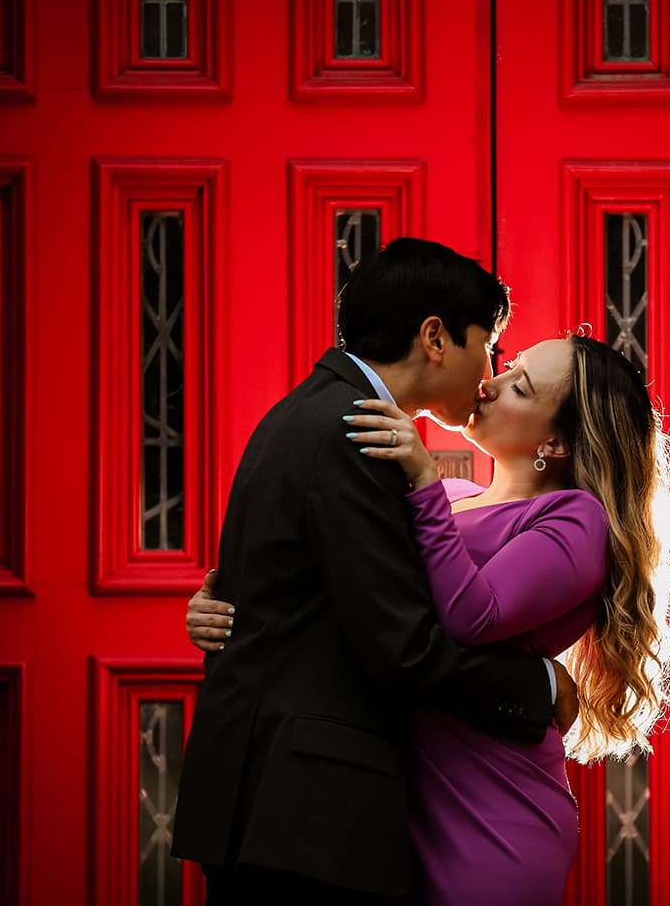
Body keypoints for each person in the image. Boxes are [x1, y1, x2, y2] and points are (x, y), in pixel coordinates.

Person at [187, 331, 670, 905]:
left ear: (557, 441)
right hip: (396, 801)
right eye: (508, 367)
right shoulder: (449, 496)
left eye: (519, 388)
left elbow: (471, 616)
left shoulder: (575, 519)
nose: (490, 384)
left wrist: (423, 479)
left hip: (493, 814)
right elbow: (349, 594)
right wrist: (227, 610)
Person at [169, 238, 580, 905]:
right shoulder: (351, 431)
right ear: (435, 337)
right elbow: (403, 649)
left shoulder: (309, 410)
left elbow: (288, 595)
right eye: (489, 346)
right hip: (305, 814)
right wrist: (536, 686)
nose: (487, 373)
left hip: (274, 806)